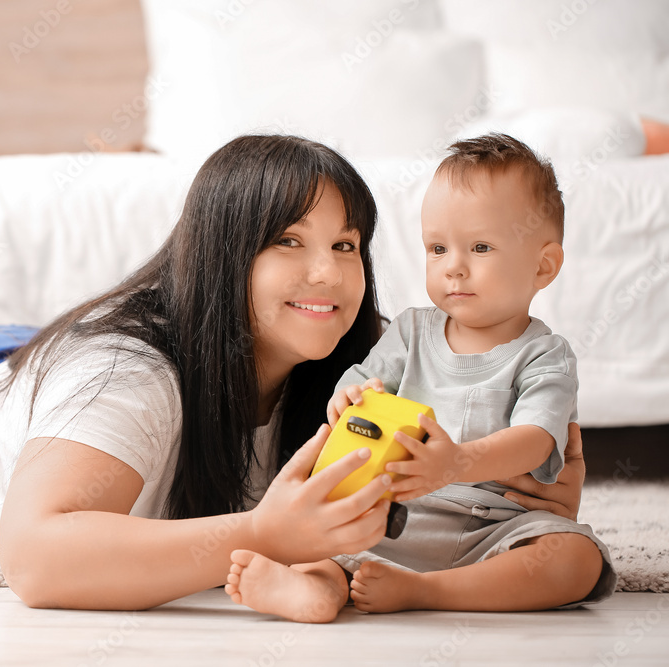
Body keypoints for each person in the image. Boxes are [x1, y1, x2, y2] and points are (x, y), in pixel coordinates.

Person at [0, 126, 586, 612]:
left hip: (10, 367)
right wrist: (264, 533)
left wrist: (521, 486)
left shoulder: (359, 360)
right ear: (225, 252)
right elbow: (38, 557)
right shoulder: (133, 376)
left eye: (345, 244)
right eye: (289, 243)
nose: (329, 274)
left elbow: (457, 458)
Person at [223, 134, 616, 622]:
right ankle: (314, 590)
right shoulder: (410, 330)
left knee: (575, 559)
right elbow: (364, 381)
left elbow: (536, 440)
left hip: (492, 528)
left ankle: (429, 591)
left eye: (480, 246)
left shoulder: (544, 355)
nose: (453, 267)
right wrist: (349, 396)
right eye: (437, 248)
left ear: (544, 265)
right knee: (328, 544)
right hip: (393, 515)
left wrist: (455, 463)